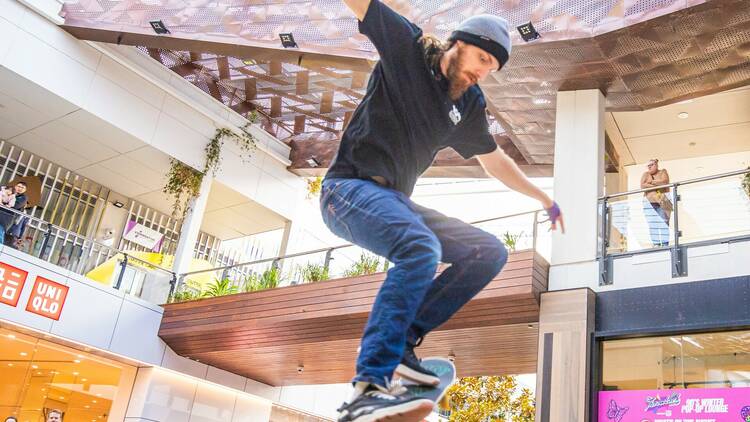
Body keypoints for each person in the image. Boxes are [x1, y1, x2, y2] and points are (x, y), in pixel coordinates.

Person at [320, 1, 564, 421]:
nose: (482, 73)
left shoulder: (468, 105)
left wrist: (544, 198)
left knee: (488, 252)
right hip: (347, 190)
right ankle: (372, 384)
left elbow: (494, 160)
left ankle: (403, 343)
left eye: (491, 69)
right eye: (482, 59)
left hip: (396, 202)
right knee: (420, 247)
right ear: (459, 43)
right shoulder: (407, 47)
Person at [640, 159, 671, 247]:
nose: (649, 166)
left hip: (663, 200)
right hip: (649, 202)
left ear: (656, 165)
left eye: (651, 164)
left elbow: (665, 182)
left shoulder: (663, 171)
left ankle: (665, 244)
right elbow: (642, 186)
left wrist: (651, 182)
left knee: (664, 222)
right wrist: (657, 184)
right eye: (648, 165)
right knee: (652, 224)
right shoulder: (645, 174)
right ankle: (656, 244)